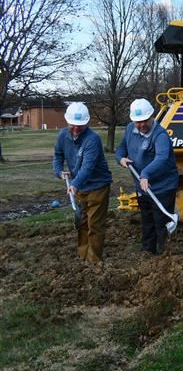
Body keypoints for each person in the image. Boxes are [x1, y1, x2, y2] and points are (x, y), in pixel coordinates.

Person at [116, 98, 178, 256]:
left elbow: (161, 157)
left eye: (144, 121)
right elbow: (121, 148)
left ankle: (163, 256)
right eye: (138, 122)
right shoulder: (130, 129)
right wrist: (121, 158)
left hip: (162, 187)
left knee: (160, 223)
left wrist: (145, 174)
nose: (141, 125)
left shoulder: (160, 135)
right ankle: (148, 254)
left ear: (151, 117)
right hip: (142, 187)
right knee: (147, 222)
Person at [53, 102, 113, 262]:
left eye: (80, 125)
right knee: (81, 223)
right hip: (80, 186)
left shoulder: (92, 139)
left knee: (95, 224)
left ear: (87, 123)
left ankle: (93, 262)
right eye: (73, 125)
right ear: (67, 121)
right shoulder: (62, 136)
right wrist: (59, 172)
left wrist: (75, 184)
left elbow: (87, 167)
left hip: (98, 186)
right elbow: (58, 155)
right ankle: (83, 256)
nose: (76, 128)